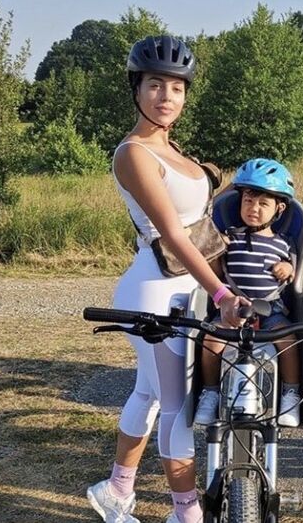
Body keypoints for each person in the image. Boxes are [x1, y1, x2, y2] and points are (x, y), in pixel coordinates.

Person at [87, 36, 247, 523]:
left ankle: (117, 489)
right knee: (177, 405)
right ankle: (186, 513)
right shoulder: (135, 153)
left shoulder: (174, 149)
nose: (166, 96)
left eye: (176, 88)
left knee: (148, 392)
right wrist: (222, 293)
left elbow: (202, 224)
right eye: (155, 84)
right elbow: (174, 235)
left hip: (186, 287)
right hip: (156, 292)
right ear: (136, 89)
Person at [193, 158, 303, 428]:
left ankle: (290, 393)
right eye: (248, 201)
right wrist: (216, 248)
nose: (254, 209)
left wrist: (288, 268)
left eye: (263, 204)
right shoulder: (230, 237)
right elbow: (215, 270)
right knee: (211, 340)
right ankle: (210, 393)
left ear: (279, 209)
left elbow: (293, 273)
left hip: (270, 311)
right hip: (233, 310)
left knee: (288, 340)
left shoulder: (283, 243)